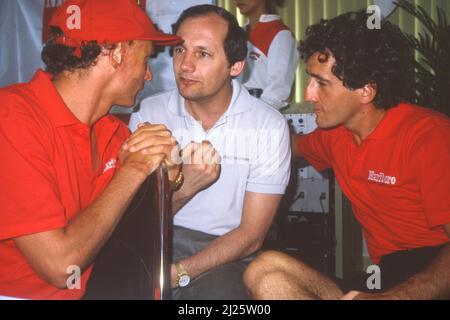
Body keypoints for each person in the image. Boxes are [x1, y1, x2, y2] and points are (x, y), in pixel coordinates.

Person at [244, 11, 450, 300]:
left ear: (366, 91)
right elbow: (287, 145)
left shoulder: (429, 136)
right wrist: (228, 135)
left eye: (321, 83)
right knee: (264, 269)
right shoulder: (336, 134)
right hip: (385, 275)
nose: (310, 94)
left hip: (432, 277)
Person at [0, 0, 182, 300]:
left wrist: (170, 180)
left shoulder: (113, 132)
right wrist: (134, 170)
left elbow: (126, 224)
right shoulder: (11, 119)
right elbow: (61, 267)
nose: (148, 75)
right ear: (118, 53)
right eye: (146, 59)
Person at [129, 4, 291, 300]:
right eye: (179, 50)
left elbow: (252, 236)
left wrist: (179, 272)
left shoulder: (268, 125)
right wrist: (185, 187)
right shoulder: (148, 114)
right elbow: (133, 219)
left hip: (226, 253)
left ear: (236, 66)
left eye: (202, 53)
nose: (185, 65)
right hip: (157, 238)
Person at [234, 0, 299, 110]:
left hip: (259, 119)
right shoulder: (239, 33)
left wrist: (253, 116)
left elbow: (278, 93)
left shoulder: (281, 34)